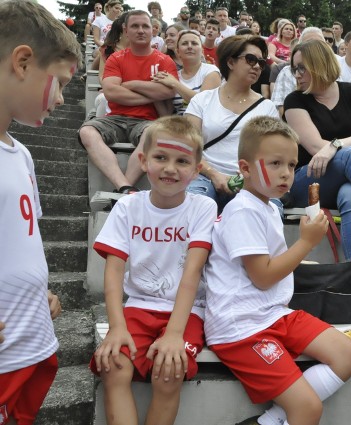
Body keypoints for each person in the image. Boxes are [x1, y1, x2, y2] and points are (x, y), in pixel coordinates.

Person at [204, 116, 351, 425]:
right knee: (308, 410)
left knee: (347, 354)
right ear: (245, 168)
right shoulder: (243, 211)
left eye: (291, 165)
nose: (286, 173)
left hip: (273, 313)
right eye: (275, 163)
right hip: (241, 327)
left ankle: (268, 421)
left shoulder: (266, 206)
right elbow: (262, 276)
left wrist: (300, 252)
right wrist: (305, 243)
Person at [90, 116, 216, 425]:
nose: (170, 168)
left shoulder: (202, 207)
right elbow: (114, 274)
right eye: (161, 157)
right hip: (138, 307)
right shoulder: (128, 207)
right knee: (113, 364)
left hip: (187, 313)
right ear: (144, 161)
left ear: (196, 169)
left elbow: (192, 274)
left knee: (168, 371)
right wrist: (116, 327)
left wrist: (174, 333)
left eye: (182, 161)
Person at [0, 1, 81, 422]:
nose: (64, 99)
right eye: (61, 83)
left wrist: (37, 289)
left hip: (29, 344)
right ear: (23, 61)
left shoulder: (23, 155)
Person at [284, 40, 351, 322]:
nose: (298, 75)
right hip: (308, 183)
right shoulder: (295, 101)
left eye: (303, 68)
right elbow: (317, 148)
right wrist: (336, 147)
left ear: (320, 63)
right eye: (294, 69)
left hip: (341, 182)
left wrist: (334, 146)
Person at [78, 10, 178, 194]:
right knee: (87, 132)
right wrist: (151, 92)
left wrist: (132, 84)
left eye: (145, 26)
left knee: (155, 134)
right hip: (115, 118)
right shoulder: (116, 58)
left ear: (153, 30)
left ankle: (123, 189)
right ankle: (123, 186)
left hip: (147, 122)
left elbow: (169, 90)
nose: (140, 30)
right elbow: (111, 92)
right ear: (125, 30)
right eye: (135, 26)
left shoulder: (164, 60)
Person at [184, 35, 278, 211]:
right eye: (250, 60)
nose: (257, 66)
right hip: (204, 174)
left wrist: (250, 177)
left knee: (267, 216)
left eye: (261, 62)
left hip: (251, 181)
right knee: (193, 207)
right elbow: (189, 148)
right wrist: (213, 174)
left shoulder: (267, 108)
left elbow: (272, 154)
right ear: (231, 62)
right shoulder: (202, 100)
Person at [153, 30, 221, 116]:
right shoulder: (174, 76)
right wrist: (154, 92)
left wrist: (175, 84)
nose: (189, 46)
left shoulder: (211, 71)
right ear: (178, 52)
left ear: (202, 51)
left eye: (194, 43)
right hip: (177, 125)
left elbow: (204, 104)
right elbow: (166, 114)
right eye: (184, 43)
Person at [271, 27, 325, 115]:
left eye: (319, 44)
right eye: (309, 44)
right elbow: (281, 109)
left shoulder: (333, 71)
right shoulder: (287, 72)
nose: (314, 48)